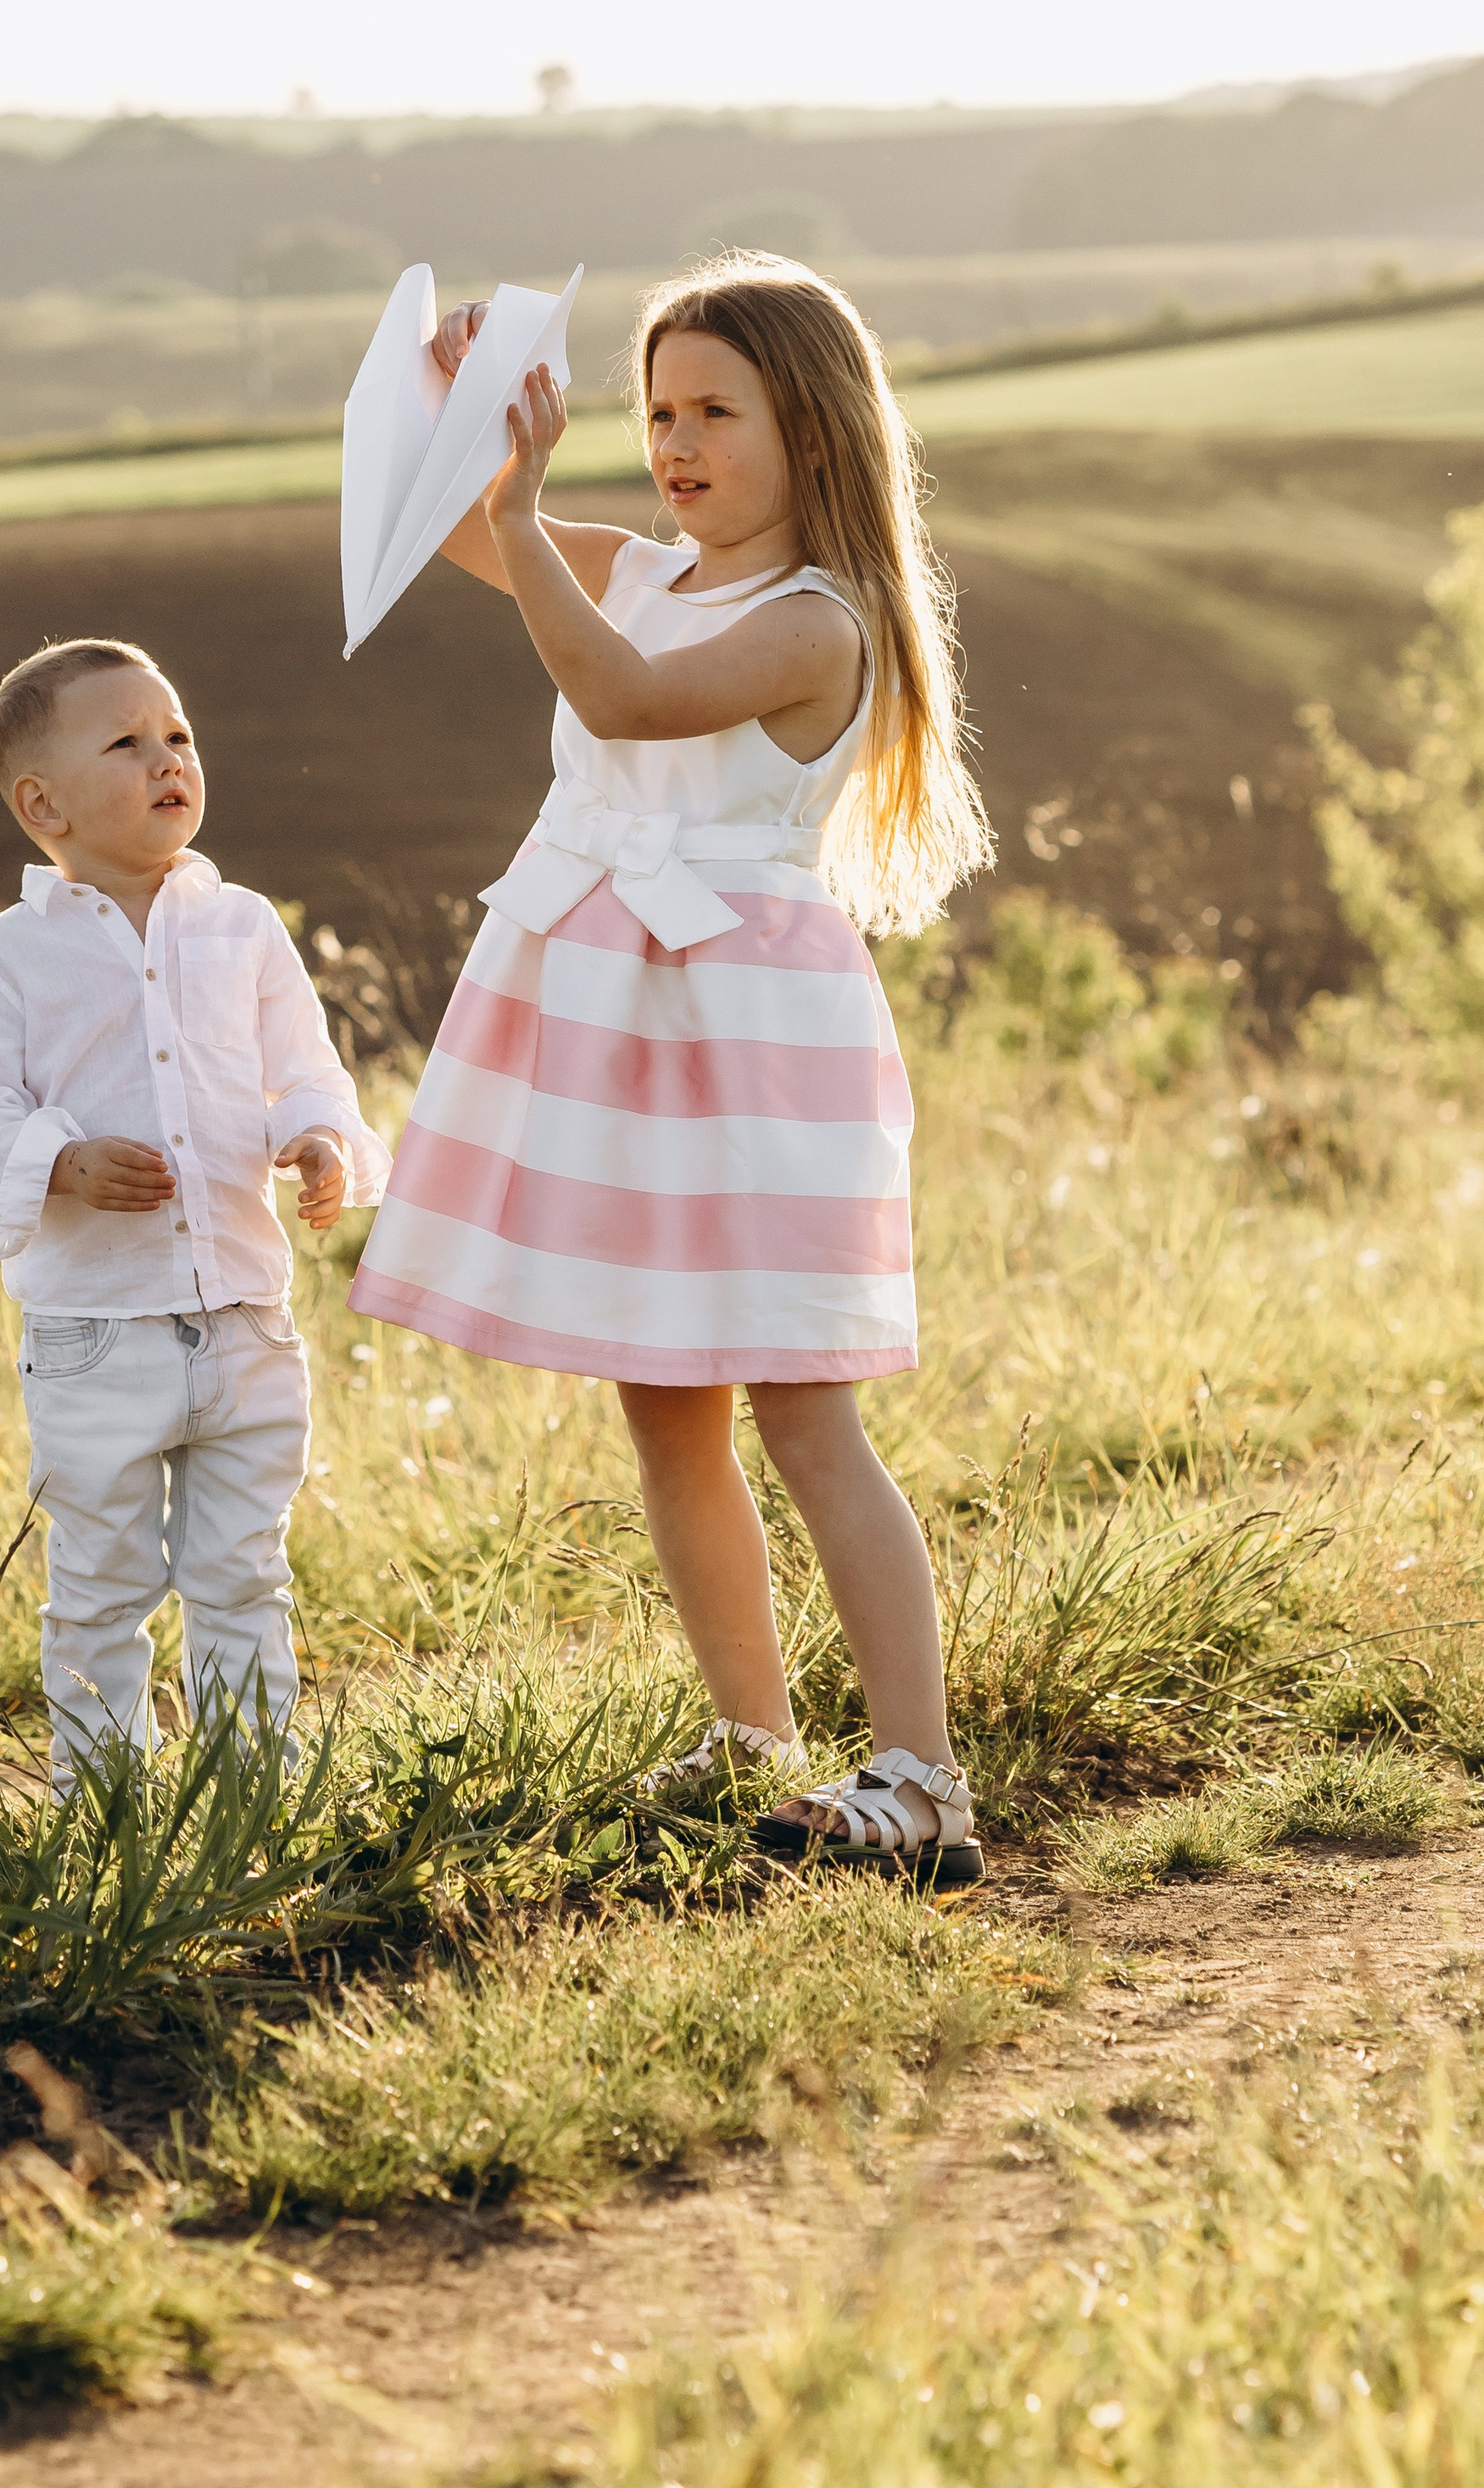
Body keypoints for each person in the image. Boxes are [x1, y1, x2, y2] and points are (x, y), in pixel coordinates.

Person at [349, 256, 994, 1884]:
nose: (676, 442)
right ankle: (752, 1736)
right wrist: (455, 402)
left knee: (803, 1409)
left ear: (818, 432)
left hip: (751, 1044)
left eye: (717, 411)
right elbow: (433, 525)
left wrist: (519, 512)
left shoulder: (812, 625)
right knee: (666, 1404)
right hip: (623, 1029)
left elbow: (625, 700)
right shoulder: (642, 568)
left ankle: (919, 1776)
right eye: (658, 412)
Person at [0, 636, 388, 1788]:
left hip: (242, 1313)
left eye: (178, 734)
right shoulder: (3, 962)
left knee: (241, 1572)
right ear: (43, 802)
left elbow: (308, 1073)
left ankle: (252, 1796)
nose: (167, 757)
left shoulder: (243, 929)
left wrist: (323, 1140)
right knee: (101, 1585)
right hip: (96, 1332)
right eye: (126, 742)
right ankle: (109, 1808)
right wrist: (64, 1161)